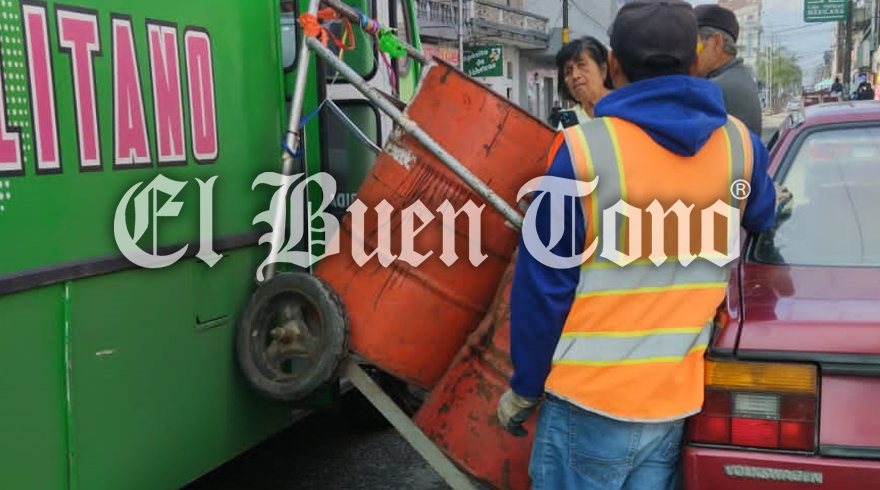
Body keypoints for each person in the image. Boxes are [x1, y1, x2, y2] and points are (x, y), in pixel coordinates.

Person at [496, 1, 782, 489]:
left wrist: (525, 386)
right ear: (695, 61)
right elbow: (762, 214)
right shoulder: (740, 147)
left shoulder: (583, 152)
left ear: (612, 64)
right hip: (672, 405)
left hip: (587, 407)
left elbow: (543, 288)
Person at [694, 4, 762, 136]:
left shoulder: (713, 90)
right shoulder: (740, 77)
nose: (687, 54)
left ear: (716, 43)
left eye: (693, 45)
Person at [555, 36, 613, 126]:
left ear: (603, 70)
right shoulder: (568, 121)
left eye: (581, 65)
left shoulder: (625, 108)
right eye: (568, 71)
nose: (575, 76)